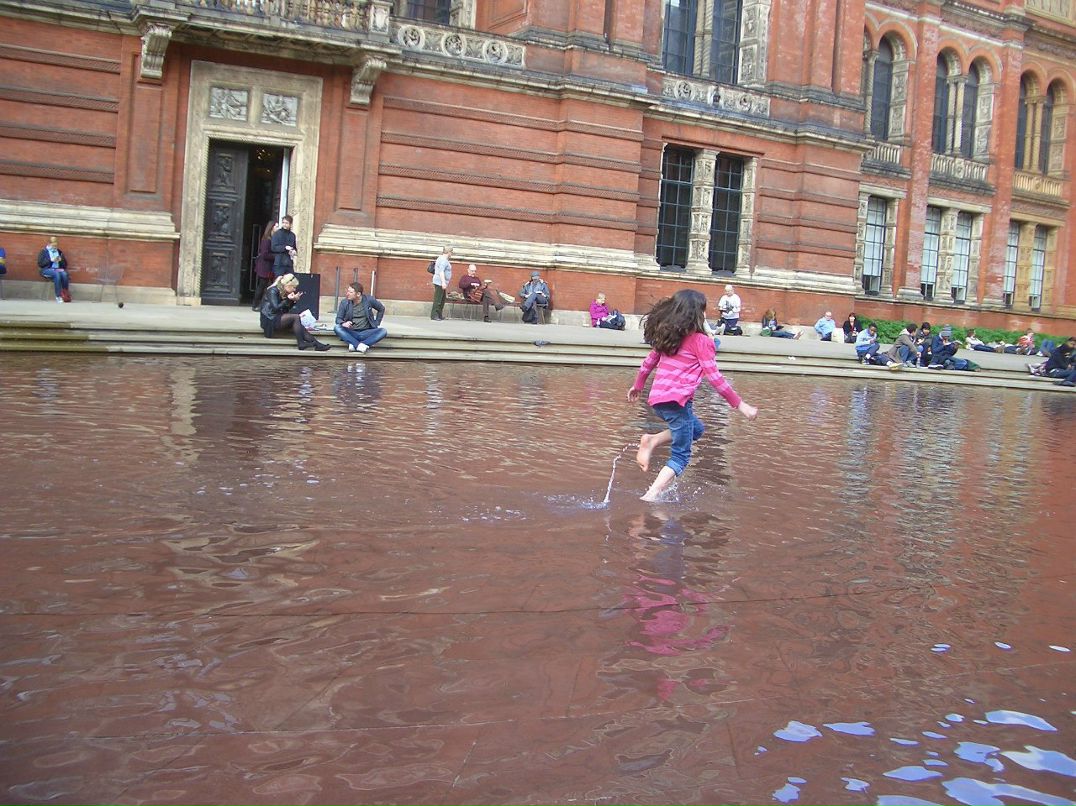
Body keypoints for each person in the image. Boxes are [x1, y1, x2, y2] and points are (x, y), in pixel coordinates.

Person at [628, 289, 758, 502]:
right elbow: (715, 378)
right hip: (677, 402)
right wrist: (741, 405)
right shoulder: (701, 341)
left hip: (659, 400)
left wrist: (638, 386)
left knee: (696, 429)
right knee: (681, 455)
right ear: (698, 314)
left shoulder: (669, 336)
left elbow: (647, 364)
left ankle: (652, 440)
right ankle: (651, 496)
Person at [259, 273, 330, 351]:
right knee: (296, 317)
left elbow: (285, 310)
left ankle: (317, 344)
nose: (294, 290)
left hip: (276, 317)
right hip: (269, 320)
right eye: (294, 287)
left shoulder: (283, 292)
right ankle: (301, 343)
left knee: (299, 325)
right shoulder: (272, 290)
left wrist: (293, 301)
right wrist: (288, 299)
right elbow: (275, 308)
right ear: (287, 285)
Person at [334, 281, 386, 353]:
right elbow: (338, 319)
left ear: (358, 294)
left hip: (366, 332)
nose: (347, 294)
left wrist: (376, 323)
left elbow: (381, 309)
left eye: (350, 292)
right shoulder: (344, 303)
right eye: (348, 291)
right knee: (337, 328)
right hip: (352, 332)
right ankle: (359, 345)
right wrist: (343, 323)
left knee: (383, 331)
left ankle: (355, 344)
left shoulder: (369, 300)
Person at [251, 221, 277, 310]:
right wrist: (276, 256)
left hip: (268, 267)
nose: (277, 228)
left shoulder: (272, 239)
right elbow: (265, 254)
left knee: (265, 286)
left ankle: (261, 305)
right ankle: (255, 304)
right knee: (262, 285)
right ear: (271, 228)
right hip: (264, 267)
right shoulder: (266, 240)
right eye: (276, 226)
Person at [37, 236, 70, 303]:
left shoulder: (59, 251)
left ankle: (65, 293)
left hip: (57, 269)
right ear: (49, 243)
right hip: (46, 269)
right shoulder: (44, 251)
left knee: (64, 274)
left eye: (56, 242)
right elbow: (40, 264)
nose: (55, 244)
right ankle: (58, 296)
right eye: (53, 242)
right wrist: (51, 260)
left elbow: (65, 265)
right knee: (56, 274)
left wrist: (60, 261)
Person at [430, 246, 453, 321]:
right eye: (451, 252)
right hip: (440, 282)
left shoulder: (441, 258)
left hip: (440, 281)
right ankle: (434, 315)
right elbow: (441, 271)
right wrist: (443, 282)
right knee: (438, 299)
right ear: (448, 252)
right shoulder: (443, 260)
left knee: (442, 299)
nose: (452, 254)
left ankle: (439, 314)